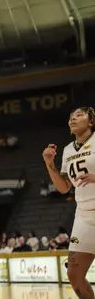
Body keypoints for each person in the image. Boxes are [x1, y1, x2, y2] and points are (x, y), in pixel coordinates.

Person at [42, 106, 95, 299]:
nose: (73, 119)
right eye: (70, 117)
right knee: (74, 275)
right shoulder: (67, 150)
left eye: (79, 115)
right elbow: (64, 187)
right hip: (84, 215)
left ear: (91, 122)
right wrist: (49, 163)